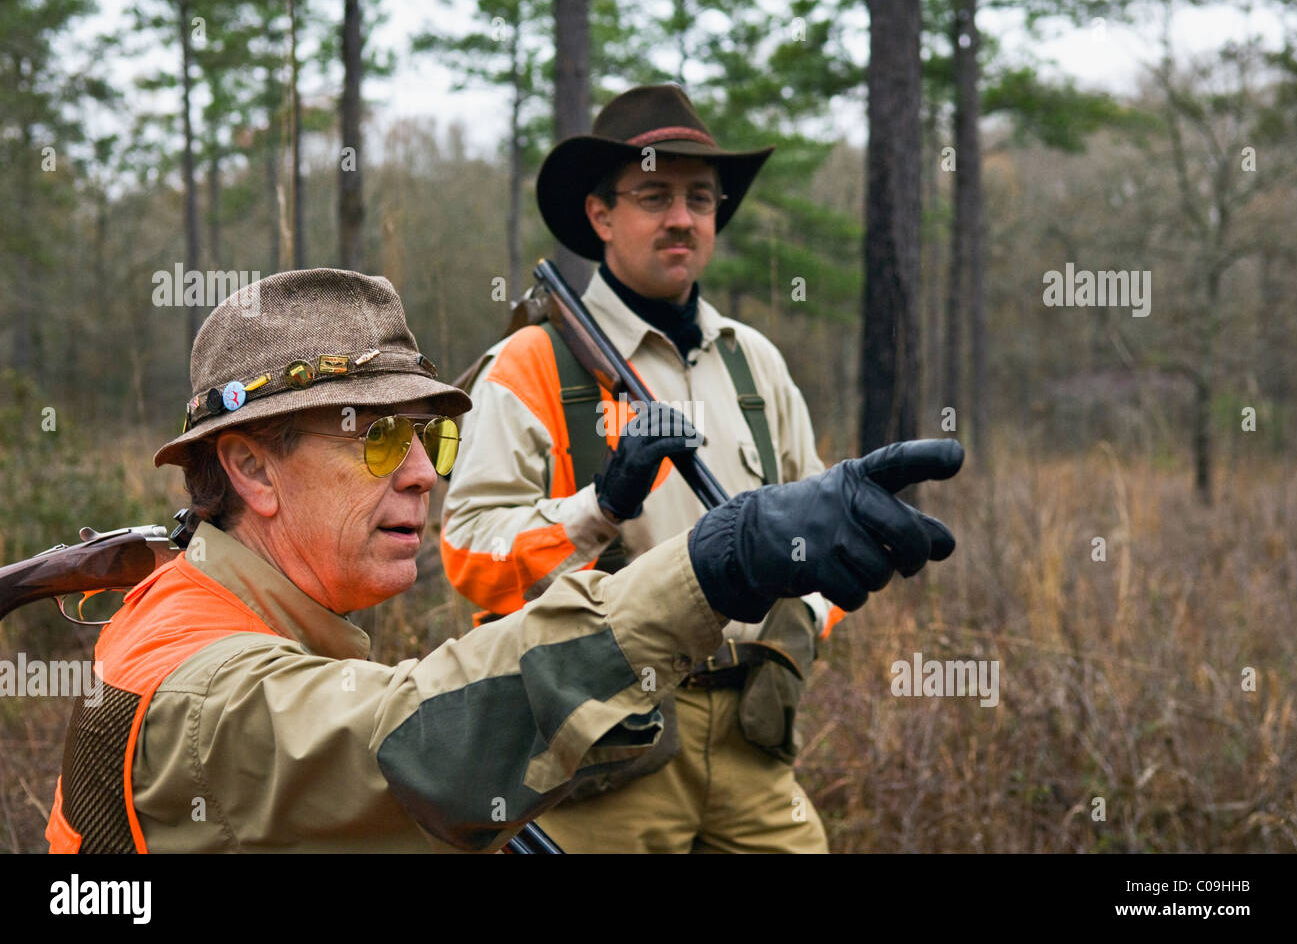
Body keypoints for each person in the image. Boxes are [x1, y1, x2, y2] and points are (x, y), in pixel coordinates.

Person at [44, 267, 962, 854]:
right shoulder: (202, 687)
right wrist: (716, 562)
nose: (419, 476)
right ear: (248, 465)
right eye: (375, 441)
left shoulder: (243, 608)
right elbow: (418, 744)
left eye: (428, 441)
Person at [439, 85, 931, 852]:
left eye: (700, 197)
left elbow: (820, 527)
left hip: (754, 732)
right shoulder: (531, 362)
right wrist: (601, 502)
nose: (682, 217)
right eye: (654, 194)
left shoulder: (754, 361)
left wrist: (802, 616)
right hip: (601, 740)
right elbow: (469, 552)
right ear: (601, 215)